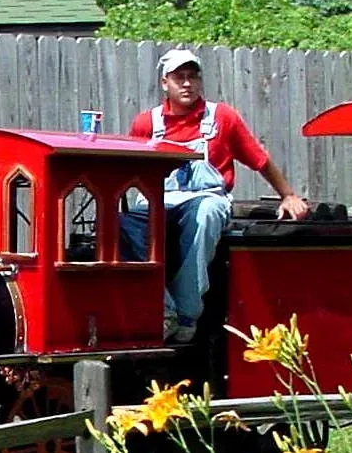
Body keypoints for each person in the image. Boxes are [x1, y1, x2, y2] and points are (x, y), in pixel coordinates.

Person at [120, 48, 308, 344]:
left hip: (207, 197)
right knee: (120, 224)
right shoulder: (146, 124)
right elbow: (129, 171)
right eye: (179, 77)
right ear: (164, 83)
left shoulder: (222, 117)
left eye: (192, 77)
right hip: (159, 200)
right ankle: (163, 308)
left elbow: (259, 159)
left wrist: (288, 195)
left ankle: (187, 312)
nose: (187, 84)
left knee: (205, 213)